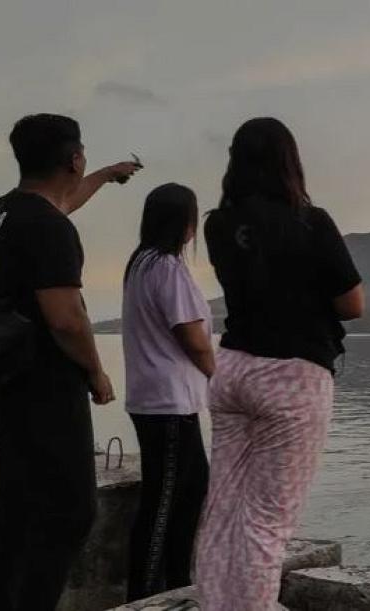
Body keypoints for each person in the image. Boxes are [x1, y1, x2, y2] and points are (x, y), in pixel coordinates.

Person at [195, 117, 364, 610]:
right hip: (292, 379)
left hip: (233, 369)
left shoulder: (217, 224)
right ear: (289, 161)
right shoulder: (312, 222)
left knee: (223, 507)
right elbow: (352, 305)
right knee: (268, 521)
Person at [0, 113, 141, 611]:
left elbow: (63, 200)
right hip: (45, 387)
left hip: (5, 381)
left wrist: (109, 175)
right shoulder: (49, 229)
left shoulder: (2, 213)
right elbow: (66, 318)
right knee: (70, 509)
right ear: (72, 158)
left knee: (16, 505)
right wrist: (96, 370)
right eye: (84, 155)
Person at [121, 183, 213, 601]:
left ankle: (177, 586)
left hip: (156, 398)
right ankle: (146, 597)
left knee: (190, 490)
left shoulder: (140, 263)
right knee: (166, 501)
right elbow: (192, 337)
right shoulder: (167, 268)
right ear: (183, 223)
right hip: (168, 402)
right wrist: (222, 376)